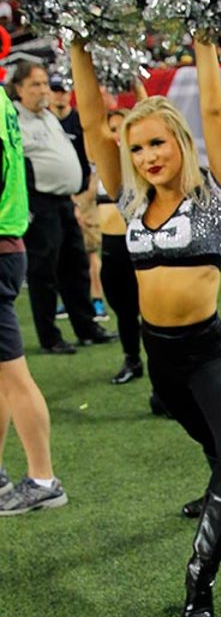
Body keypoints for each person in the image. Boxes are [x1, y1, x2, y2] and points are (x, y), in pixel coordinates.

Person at [70, 36, 221, 617]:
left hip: (211, 351)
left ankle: (199, 579)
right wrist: (78, 42)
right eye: (139, 146)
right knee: (208, 440)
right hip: (162, 357)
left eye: (158, 142)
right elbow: (94, 119)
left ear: (180, 143)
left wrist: (204, 44)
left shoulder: (216, 198)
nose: (148, 155)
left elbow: (211, 111)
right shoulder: (129, 201)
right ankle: (213, 484)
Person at [9, 61, 116, 355]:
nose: (43, 90)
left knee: (77, 266)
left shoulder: (48, 116)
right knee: (45, 272)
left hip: (65, 202)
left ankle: (87, 327)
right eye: (35, 84)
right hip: (40, 203)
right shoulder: (14, 118)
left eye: (45, 83)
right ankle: (50, 336)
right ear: (18, 88)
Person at [0, 85, 67, 515]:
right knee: (3, 374)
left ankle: (43, 479)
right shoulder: (3, 101)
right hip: (8, 241)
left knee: (14, 374)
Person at [46, 72, 108, 321]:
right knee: (61, 252)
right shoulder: (46, 122)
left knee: (90, 250)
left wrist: (87, 194)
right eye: (56, 89)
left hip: (82, 194)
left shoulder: (79, 122)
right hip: (57, 196)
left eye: (63, 90)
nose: (60, 94)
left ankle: (96, 301)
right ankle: (69, 300)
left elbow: (93, 159)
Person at [93, 107, 145, 385]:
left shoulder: (142, 163)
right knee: (124, 312)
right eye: (112, 129)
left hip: (140, 248)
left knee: (152, 316)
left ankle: (165, 383)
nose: (116, 136)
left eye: (122, 129)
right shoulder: (101, 167)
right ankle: (132, 360)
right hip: (110, 249)